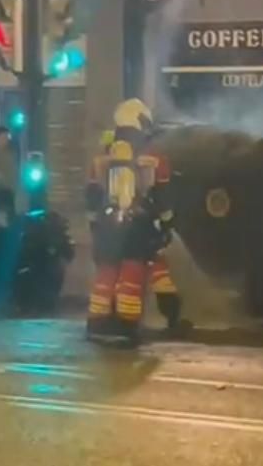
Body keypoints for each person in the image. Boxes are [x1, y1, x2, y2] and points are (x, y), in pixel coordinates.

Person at [86, 99, 182, 345]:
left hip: (107, 223)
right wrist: (167, 224)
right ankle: (126, 325)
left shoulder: (102, 155)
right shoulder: (152, 155)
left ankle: (98, 322)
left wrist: (94, 223)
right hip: (138, 223)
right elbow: (163, 194)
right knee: (132, 272)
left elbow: (91, 192)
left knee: (106, 274)